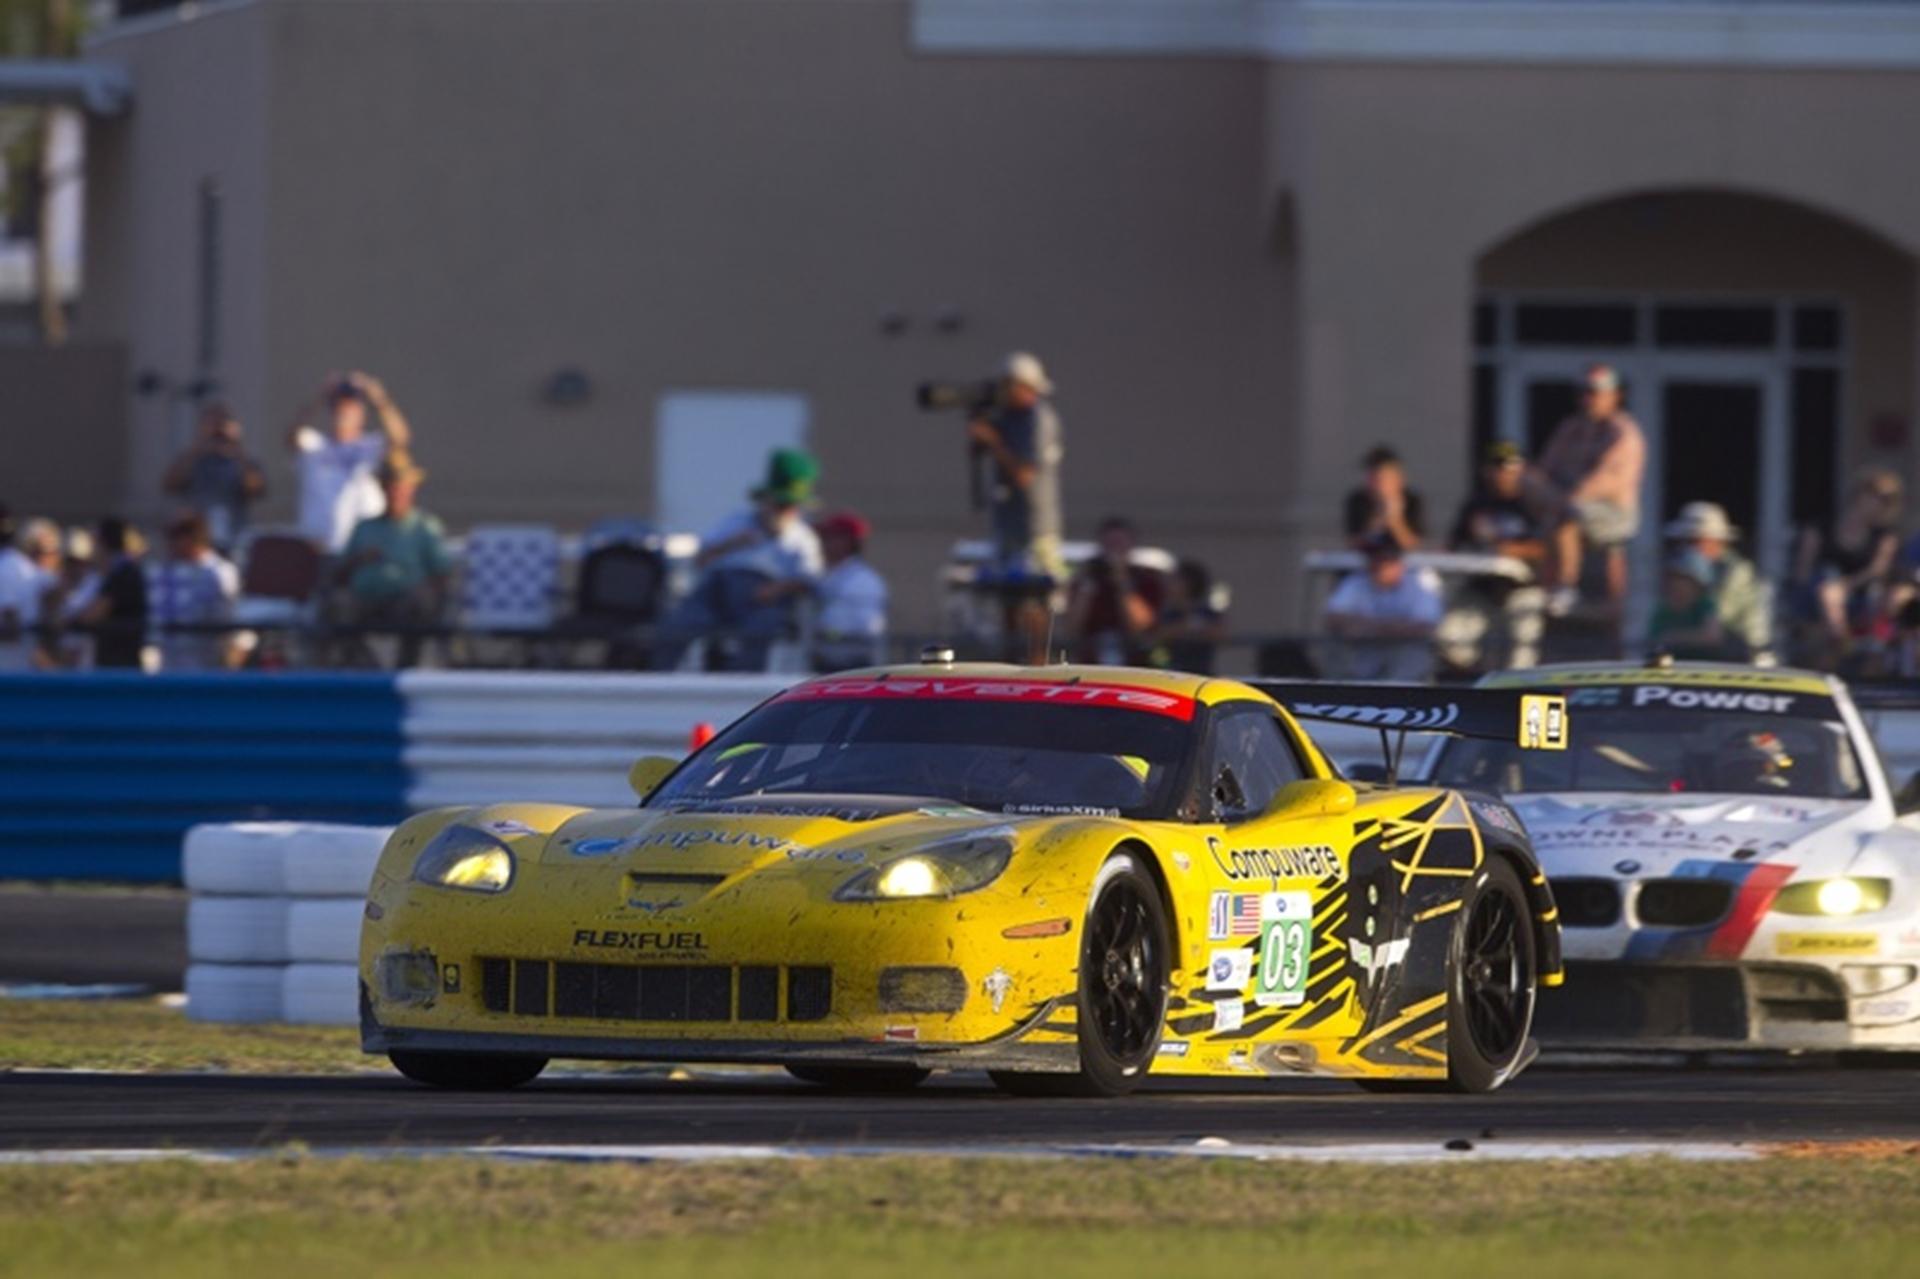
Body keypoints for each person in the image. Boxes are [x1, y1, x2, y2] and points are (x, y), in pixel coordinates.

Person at [653, 448, 824, 671]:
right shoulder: (738, 521)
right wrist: (733, 543)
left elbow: (811, 579)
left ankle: (743, 685)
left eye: (788, 506)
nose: (781, 511)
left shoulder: (802, 538)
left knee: (759, 632)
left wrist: (776, 589)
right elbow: (701, 558)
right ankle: (661, 678)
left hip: (763, 599)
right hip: (717, 589)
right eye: (778, 504)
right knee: (680, 624)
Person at [967, 352, 1063, 664]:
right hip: (1008, 527)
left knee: (1034, 598)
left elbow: (1024, 473)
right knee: (1006, 598)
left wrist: (993, 441)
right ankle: (1009, 663)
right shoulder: (1007, 418)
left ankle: (1036, 664)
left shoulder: (1038, 419)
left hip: (1034, 528)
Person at [1532, 364, 1646, 612]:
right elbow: (1545, 469)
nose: (1588, 399)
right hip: (1568, 505)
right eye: (1584, 392)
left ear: (1615, 395)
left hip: (1612, 513)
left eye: (1596, 393)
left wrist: (1564, 499)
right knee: (1533, 491)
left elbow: (1603, 481)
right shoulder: (1571, 428)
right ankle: (1544, 588)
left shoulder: (1623, 432)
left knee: (1567, 516)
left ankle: (1566, 585)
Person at [337, 455, 452, 668]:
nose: (395, 493)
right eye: (390, 487)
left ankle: (405, 669)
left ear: (411, 490)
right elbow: (340, 572)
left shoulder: (424, 528)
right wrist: (359, 560)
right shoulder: (365, 528)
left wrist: (429, 594)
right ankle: (363, 669)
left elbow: (441, 572)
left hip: (405, 602)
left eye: (400, 487)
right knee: (337, 608)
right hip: (366, 600)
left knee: (418, 607)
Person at [289, 371, 413, 552]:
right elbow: (291, 436)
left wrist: (379, 399)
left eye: (351, 407)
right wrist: (320, 399)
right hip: (316, 548)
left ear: (362, 413)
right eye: (339, 406)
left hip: (360, 550)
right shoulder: (314, 443)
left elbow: (400, 439)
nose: (344, 412)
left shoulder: (371, 446)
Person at [1793, 468, 1902, 659]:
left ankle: (1841, 644)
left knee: (1834, 592)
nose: (1877, 503)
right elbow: (1802, 571)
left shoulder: (1884, 536)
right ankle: (1841, 643)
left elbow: (1878, 570)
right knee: (1828, 586)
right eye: (1874, 495)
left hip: (1861, 598)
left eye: (1885, 500)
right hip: (1816, 596)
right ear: (1859, 494)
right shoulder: (1820, 527)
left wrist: (1845, 586)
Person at [1322, 534, 1443, 681]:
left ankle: (1408, 696)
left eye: (1384, 559)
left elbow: (1426, 626)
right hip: (1366, 653)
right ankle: (1343, 693)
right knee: (1337, 645)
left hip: (1404, 656)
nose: (1377, 565)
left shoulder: (1420, 580)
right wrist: (1393, 627)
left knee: (1414, 650)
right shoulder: (1357, 580)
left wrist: (1371, 628)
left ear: (1397, 562)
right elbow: (1333, 618)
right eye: (1373, 558)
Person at [1664, 502, 1771, 660]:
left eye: (1694, 541)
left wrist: (1674, 636)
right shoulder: (1695, 572)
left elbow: (1717, 621)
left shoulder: (1736, 572)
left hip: (1747, 659)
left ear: (1714, 541)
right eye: (1685, 541)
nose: (1687, 548)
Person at [163, 402, 267, 552]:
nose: (218, 431)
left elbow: (255, 488)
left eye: (223, 423)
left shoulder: (244, 463)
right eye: (212, 424)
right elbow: (170, 484)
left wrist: (237, 447)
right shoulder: (193, 461)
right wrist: (199, 445)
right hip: (198, 543)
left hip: (234, 539)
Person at [148, 512, 241, 671]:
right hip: (167, 665)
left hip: (207, 665)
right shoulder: (160, 571)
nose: (171, 543)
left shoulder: (221, 572)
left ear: (193, 538)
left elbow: (230, 618)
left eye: (176, 536)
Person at [1067, 516, 1165, 665]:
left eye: (1119, 544)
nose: (1114, 551)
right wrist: (1088, 584)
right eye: (1109, 544)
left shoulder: (1146, 580)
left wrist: (1122, 584)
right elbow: (1072, 626)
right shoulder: (1087, 578)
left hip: (1133, 657)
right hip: (1092, 656)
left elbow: (1141, 626)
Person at [811, 510, 888, 672]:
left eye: (828, 538)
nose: (822, 543)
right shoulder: (830, 573)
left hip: (853, 665)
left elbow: (866, 630)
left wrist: (829, 635)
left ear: (846, 542)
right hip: (827, 661)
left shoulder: (863, 580)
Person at [70, 518, 149, 670]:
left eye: (95, 542)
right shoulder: (109, 572)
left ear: (103, 542)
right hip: (112, 657)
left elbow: (94, 614)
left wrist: (68, 622)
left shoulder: (124, 572)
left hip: (121, 661)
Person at [0, 518, 62, 671]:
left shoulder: (46, 578)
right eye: (40, 552)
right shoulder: (12, 567)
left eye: (52, 552)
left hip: (23, 665)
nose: (47, 558)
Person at [1646, 551, 1729, 661]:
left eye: (1683, 579)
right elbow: (1655, 641)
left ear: (1697, 584)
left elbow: (1713, 636)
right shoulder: (1663, 609)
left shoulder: (1704, 604)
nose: (1677, 584)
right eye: (1674, 578)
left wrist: (1675, 637)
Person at [1151, 558, 1228, 674]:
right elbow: (1157, 635)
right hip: (1171, 674)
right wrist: (1185, 627)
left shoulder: (1207, 612)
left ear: (1189, 584)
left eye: (1175, 580)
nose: (1169, 584)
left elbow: (1219, 634)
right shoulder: (1167, 612)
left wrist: (1192, 627)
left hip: (1201, 674)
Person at [1343, 446, 1425, 552]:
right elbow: (1353, 544)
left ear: (1398, 479)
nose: (1378, 484)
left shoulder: (1412, 500)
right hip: (1368, 564)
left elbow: (1413, 545)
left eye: (1383, 478)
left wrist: (1395, 521)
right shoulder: (1357, 500)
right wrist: (1377, 521)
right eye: (1373, 478)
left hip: (1403, 565)